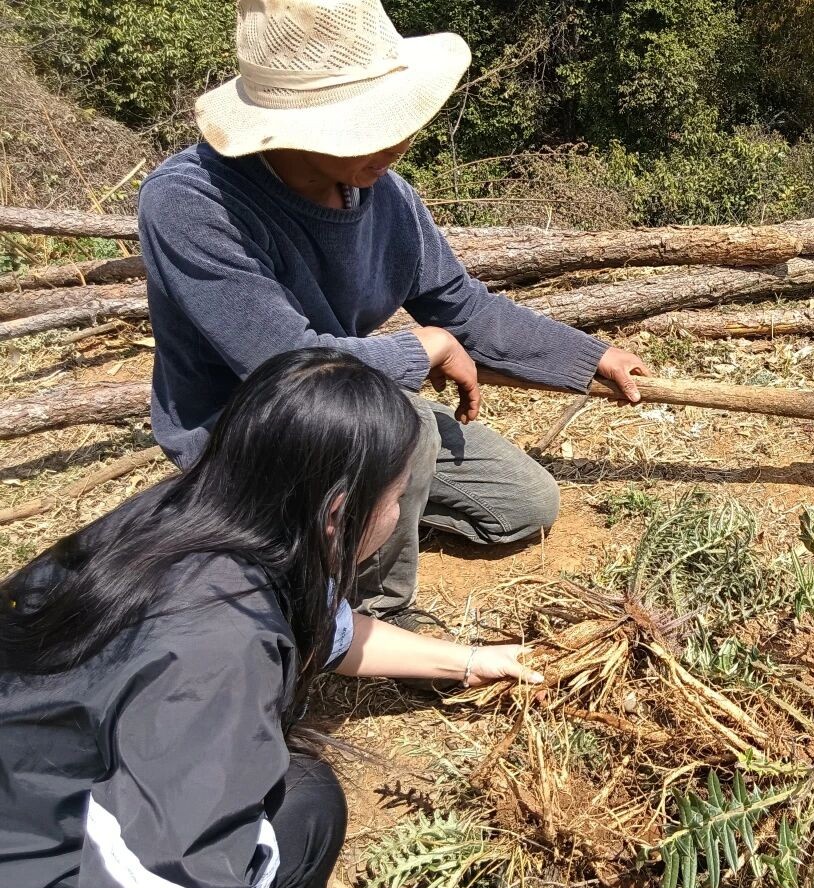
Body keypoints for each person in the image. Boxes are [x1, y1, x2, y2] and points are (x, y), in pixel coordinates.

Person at [0, 349, 542, 888]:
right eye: (396, 498)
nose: (399, 514)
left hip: (26, 796)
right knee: (307, 810)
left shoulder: (193, 514)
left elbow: (328, 631)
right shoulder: (220, 646)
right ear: (339, 513)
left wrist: (468, 660)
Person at [138, 0, 651, 627]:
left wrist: (589, 354)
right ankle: (368, 611)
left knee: (524, 503)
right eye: (371, 126)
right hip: (241, 427)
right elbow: (287, 366)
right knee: (402, 418)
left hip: (349, 406)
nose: (400, 142)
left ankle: (347, 512)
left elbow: (462, 308)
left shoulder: (385, 196)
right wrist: (420, 350)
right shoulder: (192, 201)